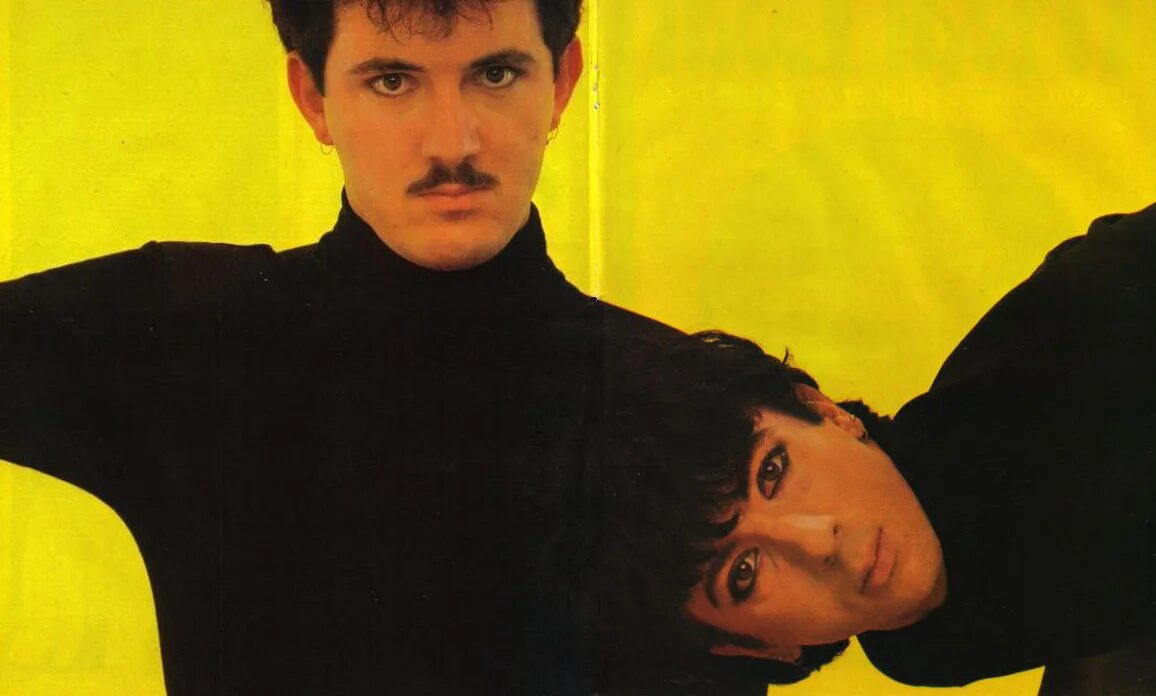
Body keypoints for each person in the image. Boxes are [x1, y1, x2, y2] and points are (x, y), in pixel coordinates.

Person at [0, 0, 681, 693]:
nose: (452, 144)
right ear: (312, 97)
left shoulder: (691, 403)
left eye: (496, 74)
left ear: (563, 82)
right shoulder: (189, 333)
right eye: (392, 81)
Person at [590, 202, 1156, 693]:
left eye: (773, 471)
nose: (817, 543)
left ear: (827, 414)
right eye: (744, 573)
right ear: (759, 648)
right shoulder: (912, 645)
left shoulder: (1080, 330)